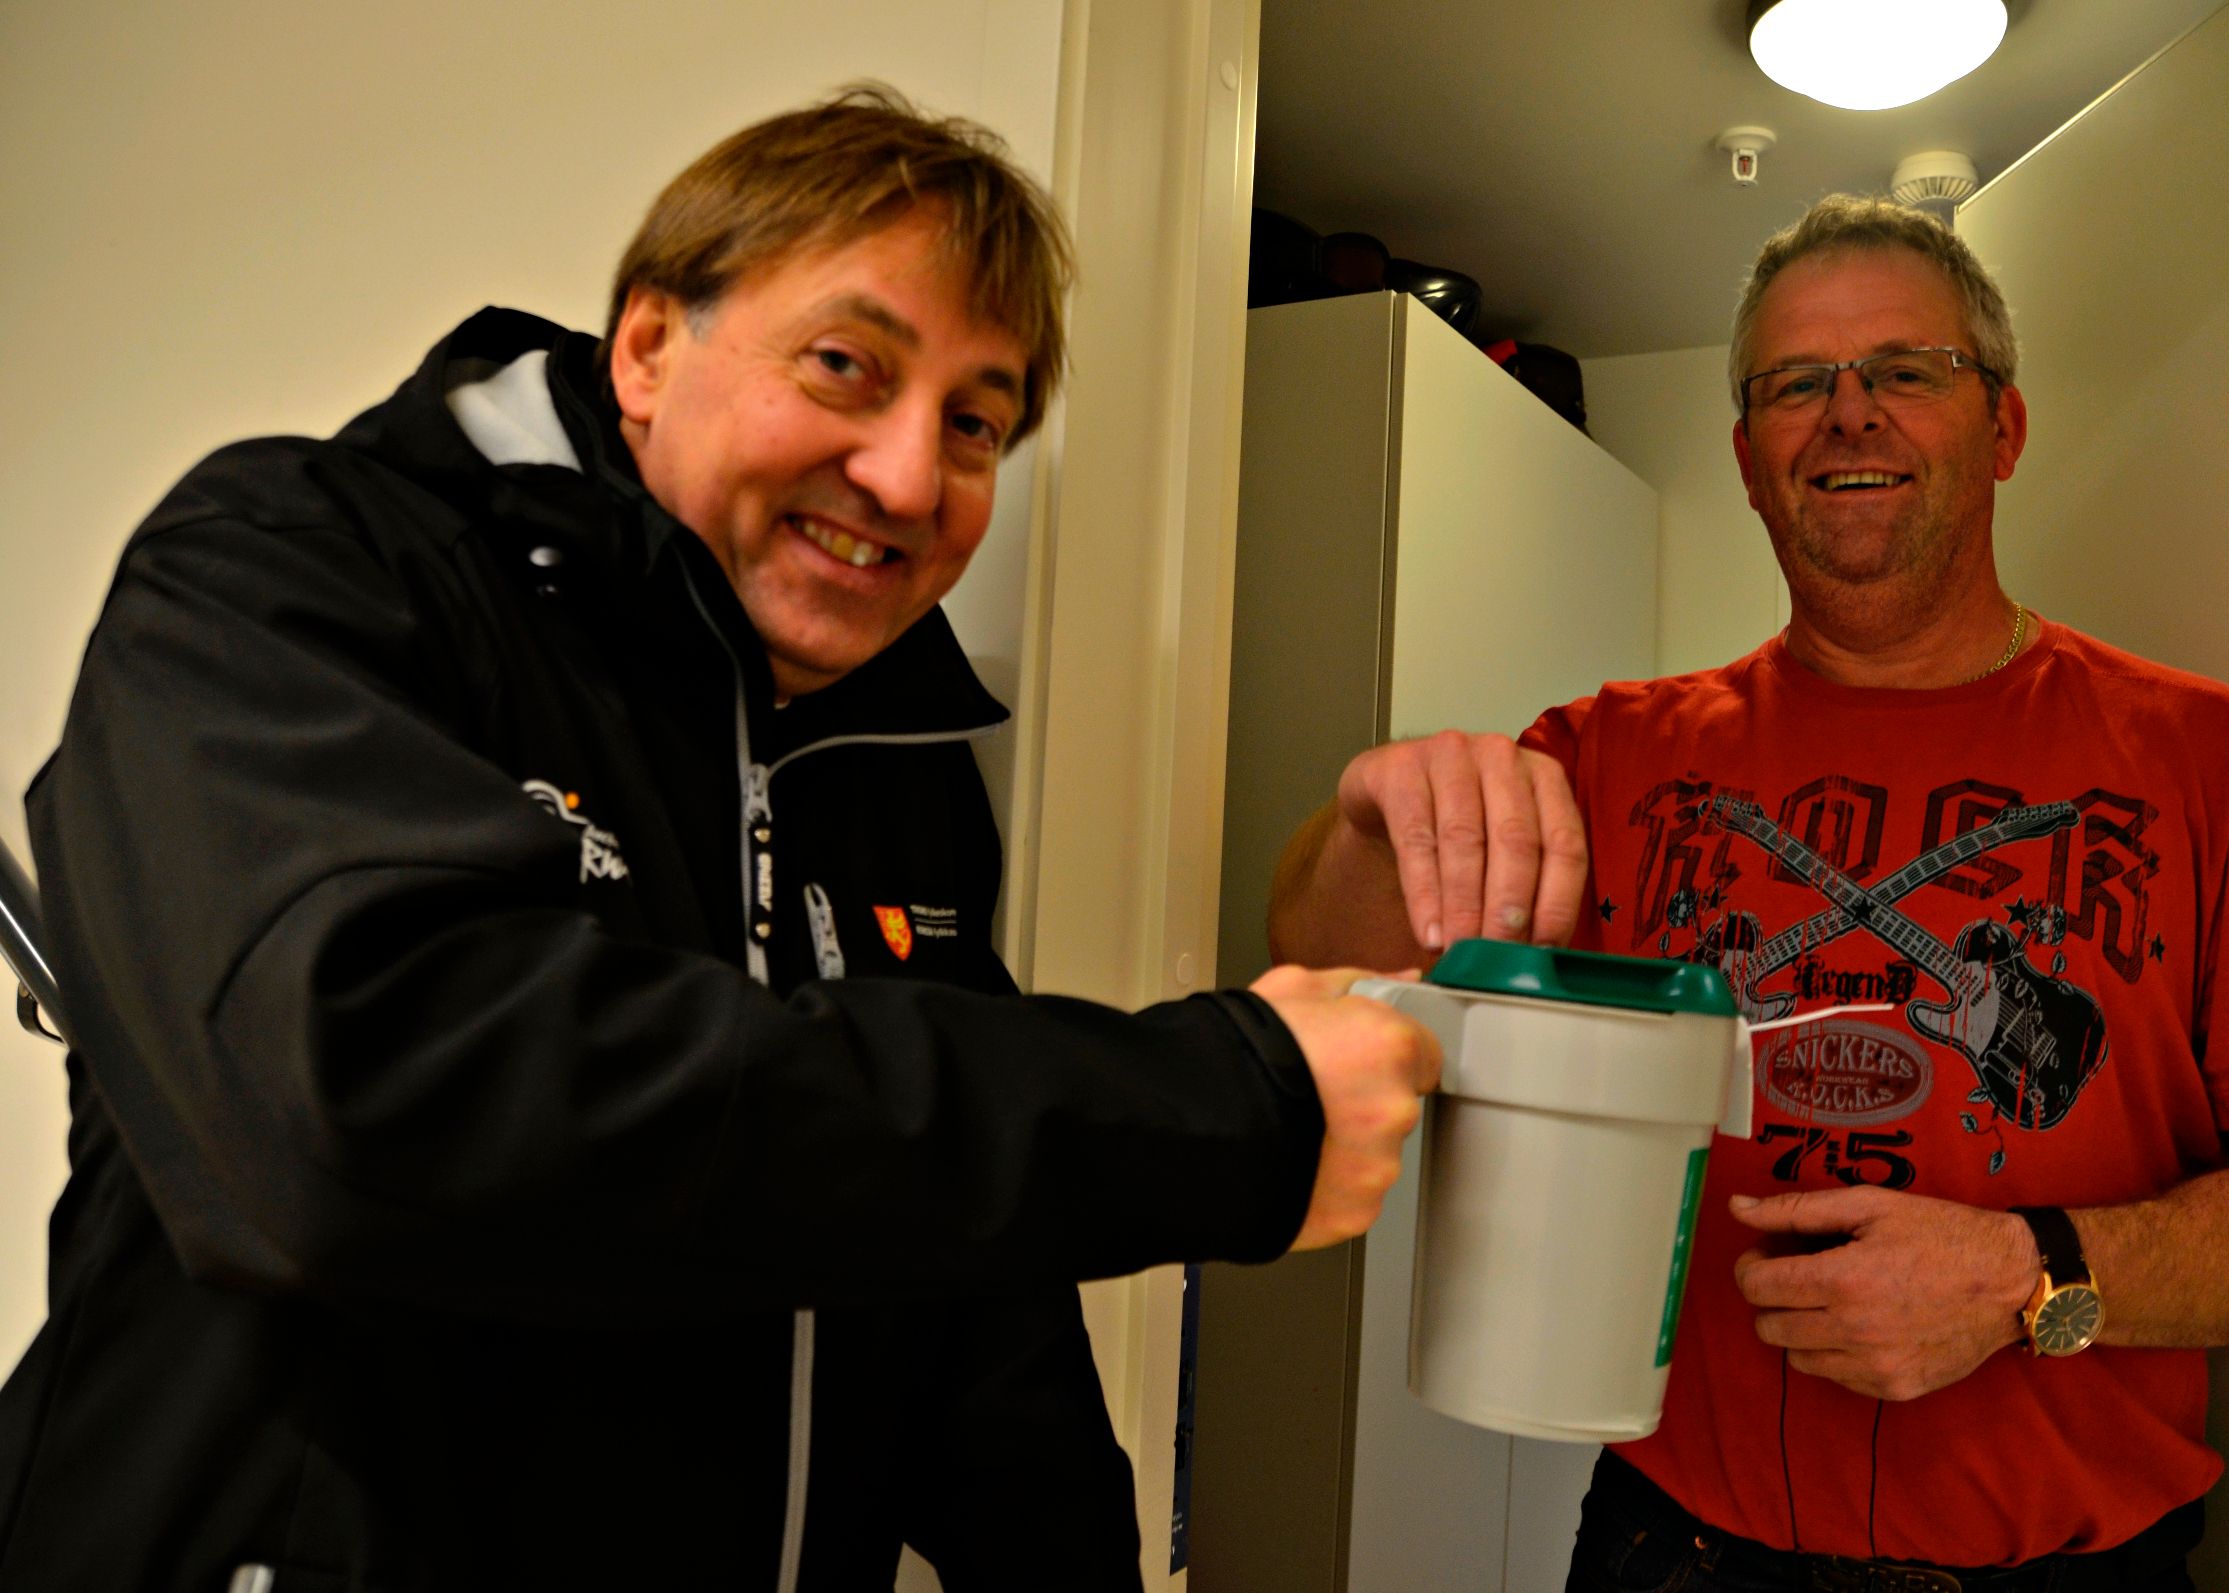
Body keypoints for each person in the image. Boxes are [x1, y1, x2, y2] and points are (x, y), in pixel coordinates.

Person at [0, 87, 1438, 1591]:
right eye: (846, 366)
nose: (907, 477)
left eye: (974, 423)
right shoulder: (290, 567)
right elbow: (370, 1111)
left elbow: (969, 1305)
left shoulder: (894, 760)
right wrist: (1213, 1111)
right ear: (645, 347)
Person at [1271, 196, 2229, 1592]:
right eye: (1795, 385)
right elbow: (1322, 964)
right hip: (1674, 1557)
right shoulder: (1607, 756)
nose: (1847, 413)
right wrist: (1372, 819)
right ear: (1748, 463)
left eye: (1906, 369)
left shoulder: (2208, 760)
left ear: (2003, 428)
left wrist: (2030, 1277)